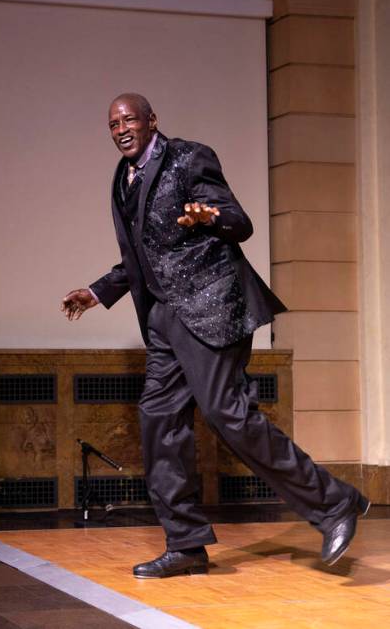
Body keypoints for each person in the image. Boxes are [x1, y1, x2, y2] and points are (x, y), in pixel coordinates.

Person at [61, 93, 368, 578]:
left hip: (210, 305)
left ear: (151, 120)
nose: (120, 128)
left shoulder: (189, 157)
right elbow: (148, 254)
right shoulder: (124, 177)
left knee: (230, 417)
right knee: (158, 422)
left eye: (129, 119)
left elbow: (238, 222)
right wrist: (98, 292)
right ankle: (185, 545)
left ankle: (334, 505)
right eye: (113, 123)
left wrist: (211, 218)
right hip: (163, 318)